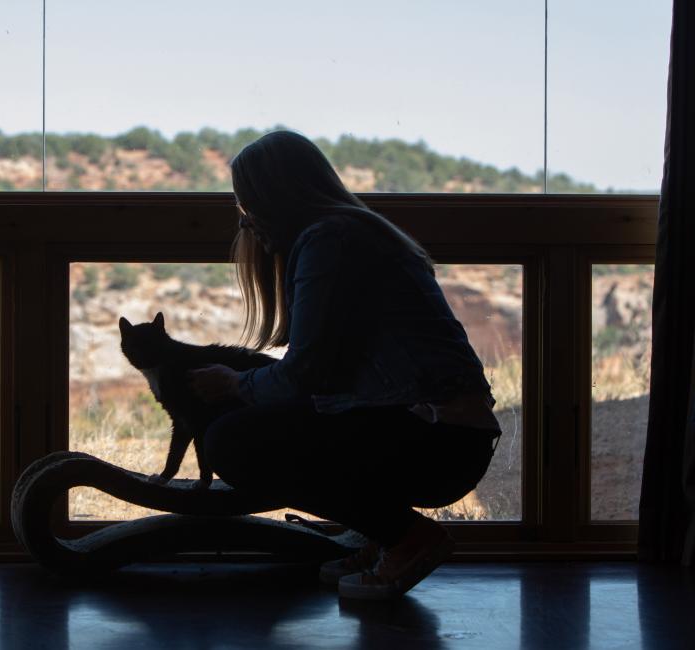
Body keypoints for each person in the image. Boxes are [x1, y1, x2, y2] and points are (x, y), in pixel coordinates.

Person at [187, 130, 502, 600]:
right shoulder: (352, 232)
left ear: (277, 196)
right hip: (449, 437)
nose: (247, 221)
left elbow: (305, 375)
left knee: (229, 442)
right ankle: (385, 537)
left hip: (436, 443)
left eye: (249, 205)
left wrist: (237, 384)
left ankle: (408, 538)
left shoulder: (329, 240)